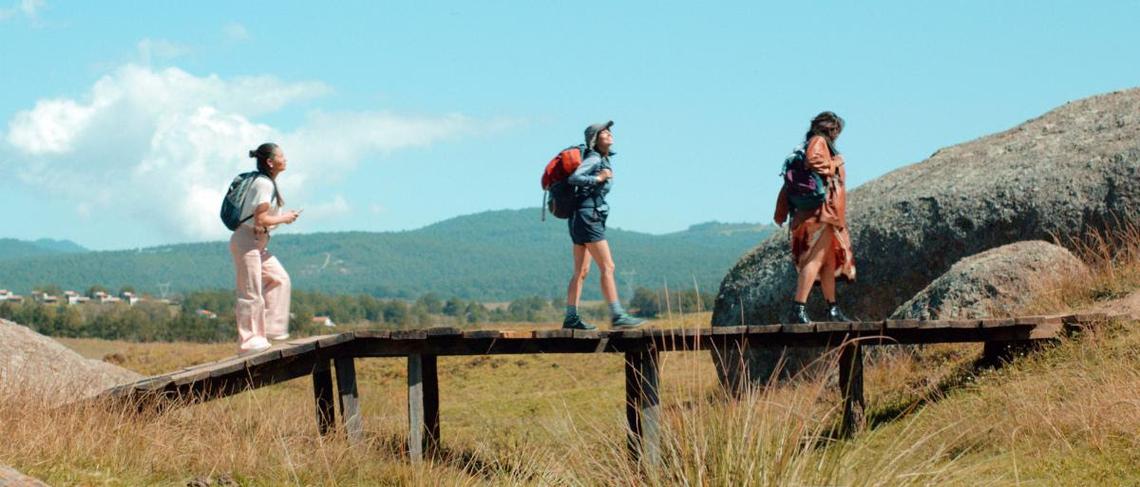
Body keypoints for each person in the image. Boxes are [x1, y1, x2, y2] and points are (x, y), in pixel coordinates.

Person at [562, 121, 646, 330]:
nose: (608, 133)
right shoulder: (594, 158)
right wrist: (599, 177)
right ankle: (617, 315)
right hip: (589, 217)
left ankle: (571, 317)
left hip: (579, 218)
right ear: (594, 139)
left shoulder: (600, 158)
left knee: (580, 271)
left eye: (609, 131)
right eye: (603, 132)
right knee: (608, 267)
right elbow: (575, 178)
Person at [774, 112, 857, 323]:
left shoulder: (814, 142)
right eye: (836, 130)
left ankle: (833, 309)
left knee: (828, 263)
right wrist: (835, 164)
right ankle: (798, 308)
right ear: (831, 129)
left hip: (822, 214)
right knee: (815, 260)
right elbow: (814, 161)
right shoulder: (819, 142)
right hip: (820, 213)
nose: (837, 134)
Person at [231, 143, 302, 354]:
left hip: (257, 243)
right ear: (270, 162)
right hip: (247, 241)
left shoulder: (266, 182)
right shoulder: (264, 184)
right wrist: (285, 218)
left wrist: (281, 217)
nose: (286, 159)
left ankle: (270, 329)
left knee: (280, 279)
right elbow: (260, 218)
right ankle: (249, 343)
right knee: (250, 293)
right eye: (282, 156)